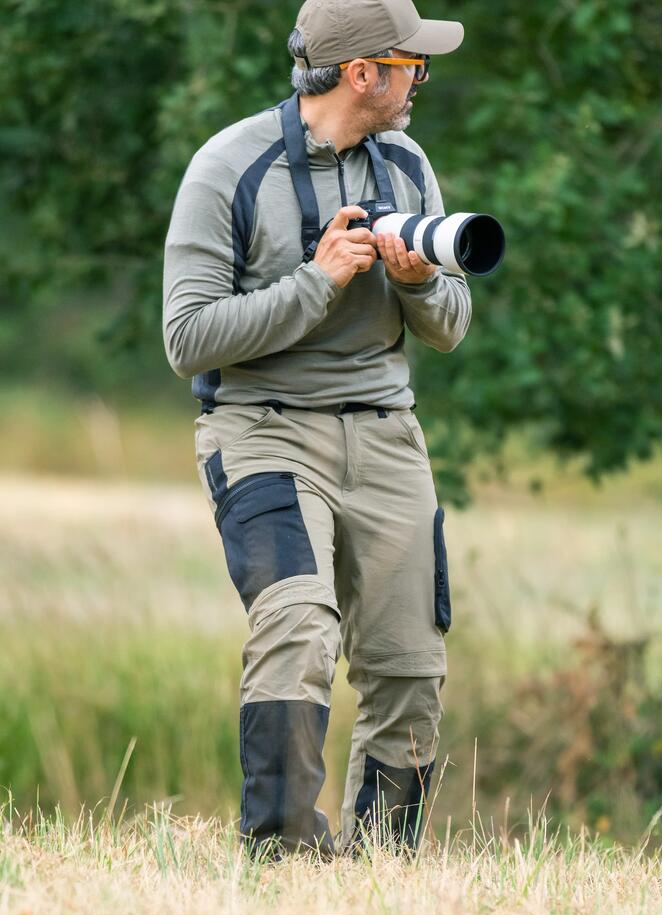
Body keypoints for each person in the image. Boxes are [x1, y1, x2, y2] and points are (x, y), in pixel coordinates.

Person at [162, 0, 471, 856]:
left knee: (411, 664)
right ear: (364, 72)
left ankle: (379, 869)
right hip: (261, 431)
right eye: (413, 65)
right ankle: (285, 857)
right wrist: (316, 281)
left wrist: (414, 282)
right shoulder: (227, 167)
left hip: (386, 434)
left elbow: (451, 325)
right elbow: (184, 340)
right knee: (298, 626)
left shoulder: (408, 164)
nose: (421, 81)